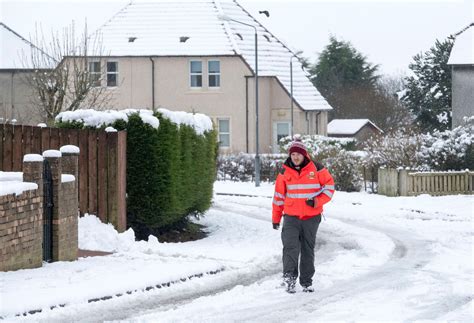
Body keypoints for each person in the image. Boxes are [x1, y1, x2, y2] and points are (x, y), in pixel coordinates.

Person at [272, 138, 335, 293]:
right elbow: (279, 197)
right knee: (290, 248)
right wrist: (276, 218)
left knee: (307, 249)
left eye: (298, 154)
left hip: (311, 218)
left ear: (304, 154)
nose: (295, 157)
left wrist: (316, 202)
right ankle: (289, 279)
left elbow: (329, 188)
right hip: (291, 218)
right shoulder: (284, 172)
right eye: (293, 154)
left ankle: (306, 282)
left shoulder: (317, 169)